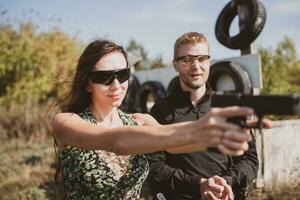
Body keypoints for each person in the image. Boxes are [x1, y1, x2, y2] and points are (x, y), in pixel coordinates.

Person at [51, 39, 257, 200]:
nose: (116, 84)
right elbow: (114, 140)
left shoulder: (140, 120)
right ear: (87, 82)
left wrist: (223, 133)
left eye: (122, 74)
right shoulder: (65, 122)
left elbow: (173, 143)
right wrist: (200, 128)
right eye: (104, 77)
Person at [147, 32, 267, 200]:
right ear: (175, 65)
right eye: (187, 60)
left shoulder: (229, 107)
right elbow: (155, 166)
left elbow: (250, 160)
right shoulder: (160, 110)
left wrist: (225, 182)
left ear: (209, 62)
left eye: (202, 58)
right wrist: (199, 184)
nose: (196, 66)